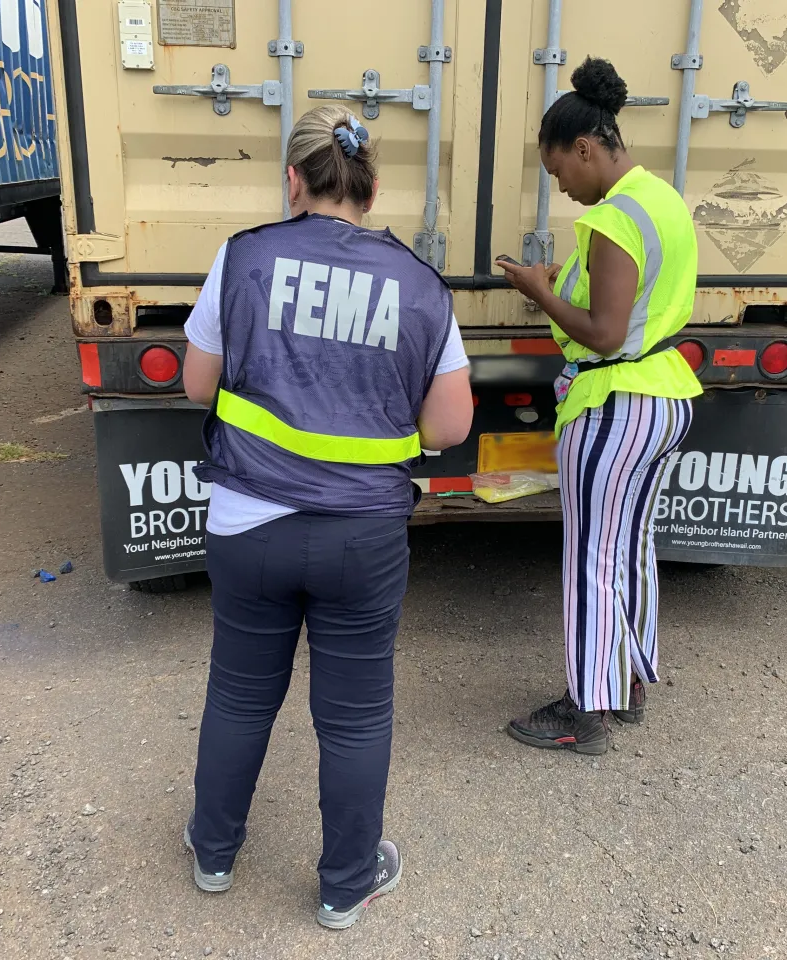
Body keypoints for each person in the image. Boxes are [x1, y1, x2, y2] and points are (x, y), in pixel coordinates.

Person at [180, 106, 474, 928]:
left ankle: (212, 853)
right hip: (363, 535)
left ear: (292, 181)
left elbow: (199, 386)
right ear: (372, 189)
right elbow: (450, 427)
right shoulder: (419, 283)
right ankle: (346, 884)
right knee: (354, 715)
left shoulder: (243, 257)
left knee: (239, 694)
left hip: (248, 521)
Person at [497, 57, 702, 755]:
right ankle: (628, 682)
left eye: (560, 173)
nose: (562, 188)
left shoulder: (613, 220)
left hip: (617, 403)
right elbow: (634, 304)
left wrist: (539, 290)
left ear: (585, 148)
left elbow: (604, 331)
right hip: (664, 397)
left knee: (593, 557)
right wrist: (567, 283)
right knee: (633, 549)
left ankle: (586, 709)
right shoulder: (662, 200)